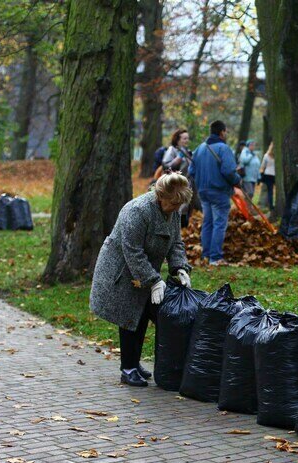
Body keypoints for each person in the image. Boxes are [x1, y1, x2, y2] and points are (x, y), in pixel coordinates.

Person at [89, 173, 193, 387]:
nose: (176, 208)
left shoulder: (171, 211)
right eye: (173, 203)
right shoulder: (137, 211)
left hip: (144, 268)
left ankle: (134, 364)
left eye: (179, 205)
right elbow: (132, 251)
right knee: (129, 317)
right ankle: (127, 369)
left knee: (144, 314)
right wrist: (153, 280)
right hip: (122, 269)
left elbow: (176, 243)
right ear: (160, 196)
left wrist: (180, 267)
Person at [190, 120, 241, 264]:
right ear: (222, 132)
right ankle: (215, 257)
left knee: (208, 222)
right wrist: (238, 180)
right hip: (219, 191)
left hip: (203, 192)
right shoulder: (223, 149)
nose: (226, 134)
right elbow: (228, 171)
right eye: (226, 132)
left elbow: (191, 171)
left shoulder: (199, 149)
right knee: (219, 223)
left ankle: (206, 255)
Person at [259, 142, 276, 210]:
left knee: (267, 190)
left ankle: (266, 205)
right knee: (271, 191)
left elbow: (263, 165)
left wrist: (261, 174)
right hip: (274, 175)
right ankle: (270, 205)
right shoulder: (276, 157)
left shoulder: (266, 155)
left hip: (267, 174)